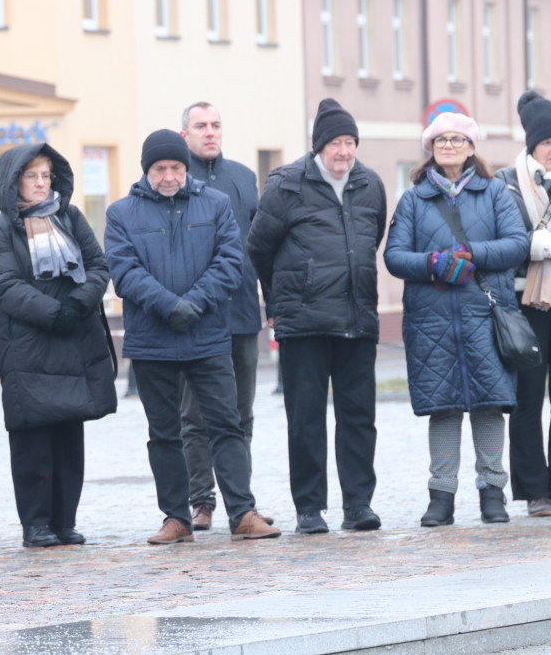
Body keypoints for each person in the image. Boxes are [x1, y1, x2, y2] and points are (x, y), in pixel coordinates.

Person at [104, 129, 280, 544]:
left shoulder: (216, 205)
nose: (169, 176)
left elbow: (230, 261)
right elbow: (125, 271)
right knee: (164, 433)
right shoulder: (121, 213)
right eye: (161, 168)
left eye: (177, 167)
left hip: (207, 336)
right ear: (147, 170)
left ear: (186, 168)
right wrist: (168, 305)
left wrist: (194, 304)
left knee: (226, 426)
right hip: (152, 339)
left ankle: (242, 512)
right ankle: (176, 517)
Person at [248, 99, 386, 535]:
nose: (344, 151)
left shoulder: (370, 184)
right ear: (318, 147)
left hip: (357, 317)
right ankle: (310, 508)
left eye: (350, 142)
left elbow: (372, 237)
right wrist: (280, 300)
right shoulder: (287, 185)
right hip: (303, 323)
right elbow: (258, 248)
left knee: (359, 418)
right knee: (306, 419)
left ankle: (358, 505)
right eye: (335, 143)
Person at [385, 113, 528, 526]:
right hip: (431, 322)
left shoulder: (495, 193)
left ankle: (492, 493)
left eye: (457, 139)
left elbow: (517, 244)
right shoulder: (413, 199)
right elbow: (394, 257)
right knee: (443, 408)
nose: (449, 145)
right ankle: (441, 496)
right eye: (441, 139)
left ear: (471, 147)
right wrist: (434, 263)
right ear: (431, 147)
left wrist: (472, 257)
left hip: (484, 316)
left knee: (488, 406)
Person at [0, 143, 118, 548]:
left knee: (68, 436)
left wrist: (78, 304)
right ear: (14, 182)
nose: (41, 184)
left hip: (73, 342)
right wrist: (51, 312)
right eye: (31, 176)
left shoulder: (70, 217)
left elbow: (98, 266)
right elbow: (4, 284)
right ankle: (36, 523)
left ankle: (64, 520)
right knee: (32, 441)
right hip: (28, 345)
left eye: (46, 176)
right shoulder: (0, 228)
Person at [177, 101, 267, 530]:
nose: (209, 132)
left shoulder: (244, 178)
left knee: (240, 413)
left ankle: (241, 501)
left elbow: (259, 245)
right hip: (195, 315)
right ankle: (201, 500)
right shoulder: (174, 176)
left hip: (243, 311)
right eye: (200, 126)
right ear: (185, 135)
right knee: (195, 415)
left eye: (215, 125)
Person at [497, 91, 551, 517]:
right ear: (532, 144)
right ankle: (535, 489)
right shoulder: (506, 182)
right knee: (528, 398)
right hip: (526, 303)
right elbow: (506, 242)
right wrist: (538, 244)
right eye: (548, 142)